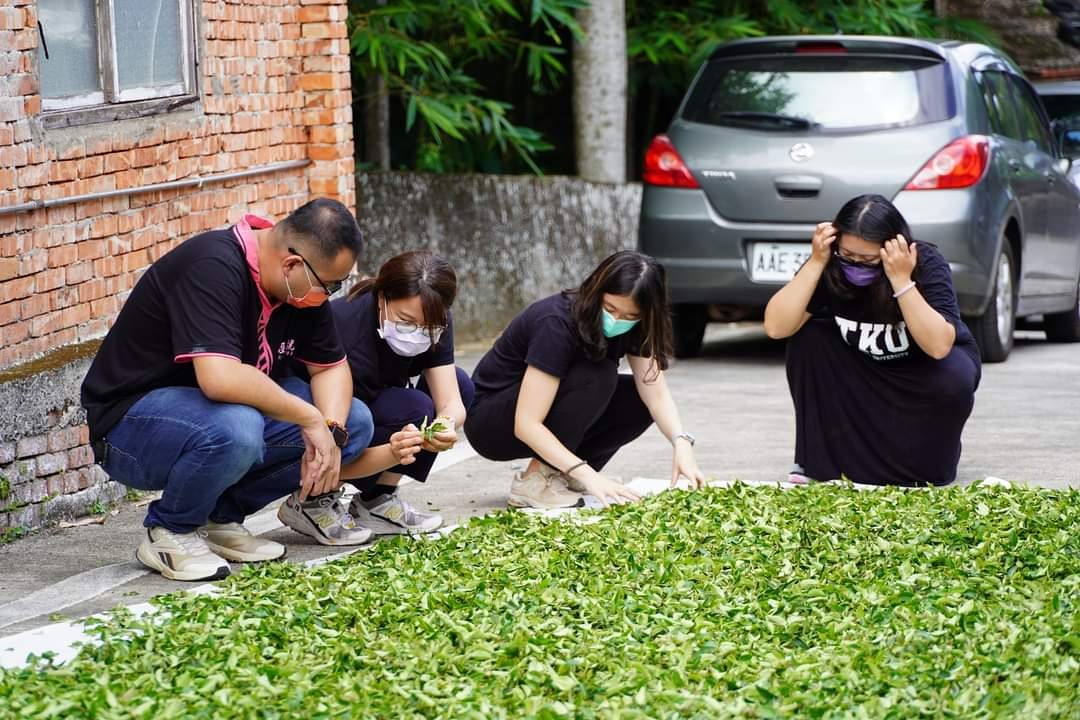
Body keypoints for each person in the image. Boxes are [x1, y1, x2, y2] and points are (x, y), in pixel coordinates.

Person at [80, 199, 375, 581]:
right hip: (132, 427)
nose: (330, 296)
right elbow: (218, 378)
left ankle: (220, 519)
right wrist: (308, 417)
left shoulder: (302, 289)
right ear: (292, 264)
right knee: (239, 427)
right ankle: (171, 530)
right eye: (329, 286)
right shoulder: (212, 266)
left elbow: (331, 367)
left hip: (219, 418)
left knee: (356, 420)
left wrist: (331, 429)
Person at [763, 194, 981, 486]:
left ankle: (920, 464)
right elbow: (777, 326)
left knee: (953, 373)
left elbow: (939, 346)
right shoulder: (831, 261)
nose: (856, 267)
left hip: (919, 371)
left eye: (868, 261)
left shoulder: (924, 262)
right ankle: (817, 463)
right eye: (848, 257)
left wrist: (901, 281)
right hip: (863, 366)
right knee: (810, 338)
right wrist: (816, 263)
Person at [464, 250, 707, 509]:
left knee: (637, 400)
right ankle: (535, 482)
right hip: (491, 421)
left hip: (535, 416)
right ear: (596, 291)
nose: (616, 321)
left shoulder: (640, 325)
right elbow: (526, 423)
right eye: (610, 308)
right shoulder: (556, 322)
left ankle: (564, 475)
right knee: (597, 375)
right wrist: (588, 474)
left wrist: (681, 443)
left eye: (629, 317)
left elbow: (655, 393)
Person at [279, 250, 473, 539]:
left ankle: (377, 499)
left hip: (366, 410)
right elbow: (341, 434)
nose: (418, 332)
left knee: (454, 385)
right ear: (382, 299)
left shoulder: (434, 315)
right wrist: (392, 452)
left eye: (428, 327)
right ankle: (313, 499)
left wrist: (445, 426)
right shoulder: (347, 329)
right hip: (312, 427)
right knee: (384, 414)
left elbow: (451, 401)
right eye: (407, 321)